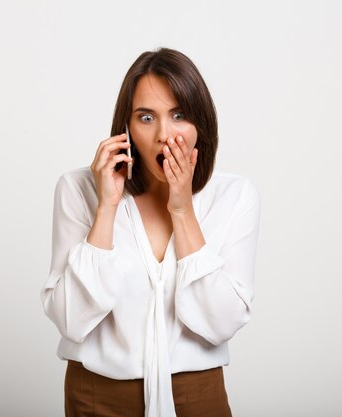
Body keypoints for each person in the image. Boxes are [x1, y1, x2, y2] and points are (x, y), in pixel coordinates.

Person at [41, 47, 260, 417]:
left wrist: (182, 210)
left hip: (196, 392)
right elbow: (71, 320)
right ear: (125, 128)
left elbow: (222, 323)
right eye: (146, 117)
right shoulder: (79, 190)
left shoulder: (234, 196)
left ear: (200, 124)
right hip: (98, 394)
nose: (163, 134)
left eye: (179, 115)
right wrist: (106, 207)